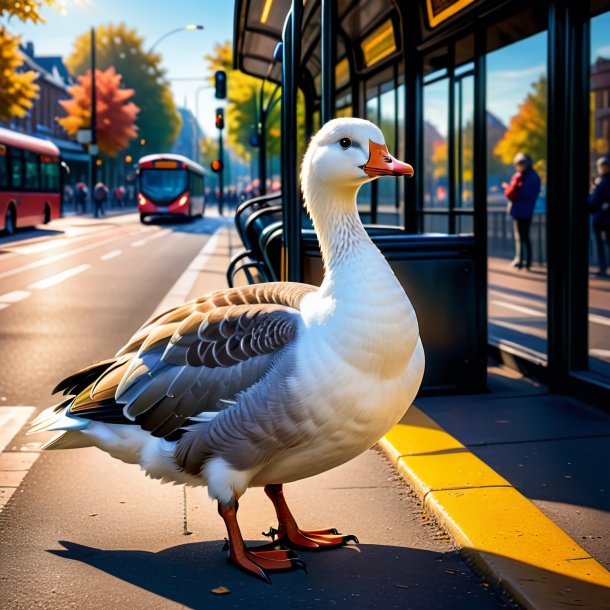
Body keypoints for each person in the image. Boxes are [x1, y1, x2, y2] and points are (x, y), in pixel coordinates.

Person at [502, 152, 541, 270]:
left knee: (521, 236)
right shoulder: (533, 177)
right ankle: (524, 260)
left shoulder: (522, 177)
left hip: (521, 210)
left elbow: (514, 194)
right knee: (524, 236)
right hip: (527, 210)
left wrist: (507, 188)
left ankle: (521, 260)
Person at [588, 156, 610, 277]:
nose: (601, 168)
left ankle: (603, 267)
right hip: (598, 216)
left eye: (603, 166)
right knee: (601, 244)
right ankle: (602, 267)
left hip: (604, 217)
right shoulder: (599, 180)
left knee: (604, 243)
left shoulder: (604, 181)